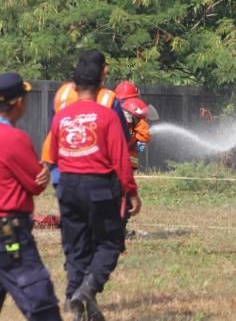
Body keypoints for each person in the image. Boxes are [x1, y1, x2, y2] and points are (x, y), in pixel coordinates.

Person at [49, 59, 141, 320]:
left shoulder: (62, 116)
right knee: (110, 242)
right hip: (99, 187)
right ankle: (88, 289)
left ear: (74, 85)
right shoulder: (108, 115)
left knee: (76, 246)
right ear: (102, 82)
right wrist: (131, 192)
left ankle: (76, 301)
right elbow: (122, 159)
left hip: (67, 187)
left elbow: (54, 154)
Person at [0, 73, 61, 321]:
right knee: (41, 303)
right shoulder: (13, 139)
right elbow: (35, 184)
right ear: (18, 102)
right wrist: (43, 173)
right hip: (9, 233)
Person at [41, 50, 129, 187]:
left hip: (63, 172)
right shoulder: (108, 98)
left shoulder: (62, 93)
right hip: (97, 175)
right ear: (103, 70)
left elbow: (53, 131)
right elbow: (123, 139)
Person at [115, 82, 152, 170]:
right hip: (126, 160)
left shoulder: (113, 110)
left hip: (120, 159)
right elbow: (145, 135)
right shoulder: (137, 115)